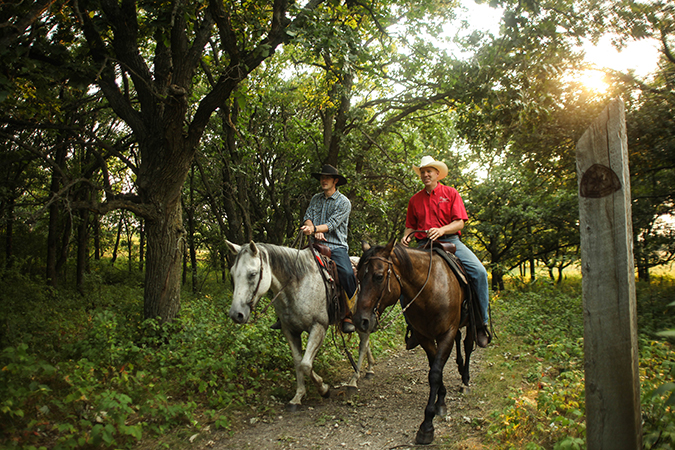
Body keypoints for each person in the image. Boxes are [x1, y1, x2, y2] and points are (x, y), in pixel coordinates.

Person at [401, 155, 491, 348]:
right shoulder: (414, 200)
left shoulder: (451, 193)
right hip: (424, 245)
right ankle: (413, 327)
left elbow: (460, 222)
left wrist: (442, 230)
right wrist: (406, 236)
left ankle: (480, 323)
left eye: (429, 171)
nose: (426, 174)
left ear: (437, 174)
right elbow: (410, 226)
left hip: (450, 241)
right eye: (423, 172)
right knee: (402, 276)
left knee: (479, 272)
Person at [301, 164, 357, 334]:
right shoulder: (315, 199)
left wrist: (316, 229)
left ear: (335, 181)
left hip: (336, 247)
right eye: (322, 178)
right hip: (315, 245)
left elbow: (333, 224)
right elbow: (308, 217)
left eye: (327, 178)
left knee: (347, 274)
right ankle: (287, 314)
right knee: (292, 266)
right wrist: (311, 227)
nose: (323, 180)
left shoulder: (344, 202)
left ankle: (349, 313)